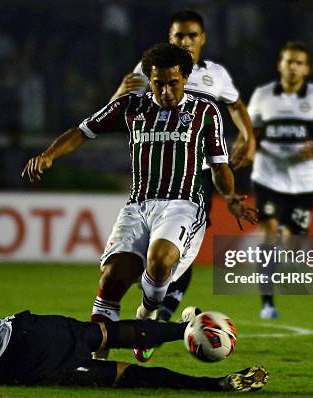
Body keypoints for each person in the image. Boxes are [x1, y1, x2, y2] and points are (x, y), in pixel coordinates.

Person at [22, 43, 257, 361]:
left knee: (160, 261)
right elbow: (82, 131)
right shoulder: (129, 107)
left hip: (183, 203)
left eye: (172, 82)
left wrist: (229, 196)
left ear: (185, 78)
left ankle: (146, 315)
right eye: (158, 83)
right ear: (150, 80)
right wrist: (49, 156)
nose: (165, 90)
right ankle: (95, 361)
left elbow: (218, 165)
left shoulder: (205, 112)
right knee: (112, 280)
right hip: (138, 206)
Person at [0, 243, 269, 392]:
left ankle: (215, 385)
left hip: (16, 376)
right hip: (19, 340)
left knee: (122, 376)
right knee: (103, 334)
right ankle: (186, 328)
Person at [110, 9, 256, 325]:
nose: (186, 41)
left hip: (203, 172)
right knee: (156, 254)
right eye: (179, 36)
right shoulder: (149, 68)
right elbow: (117, 109)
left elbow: (236, 106)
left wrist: (249, 137)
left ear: (203, 38)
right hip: (158, 175)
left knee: (178, 249)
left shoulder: (215, 74)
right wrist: (121, 94)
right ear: (170, 38)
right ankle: (155, 306)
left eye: (192, 35)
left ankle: (158, 314)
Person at [247, 41, 313, 319]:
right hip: (267, 176)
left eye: (299, 63)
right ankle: (267, 302)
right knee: (269, 235)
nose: (293, 67)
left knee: (292, 245)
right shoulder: (263, 95)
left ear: (307, 69)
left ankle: (283, 241)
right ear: (280, 64)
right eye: (289, 61)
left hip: (303, 182)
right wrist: (247, 149)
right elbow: (250, 133)